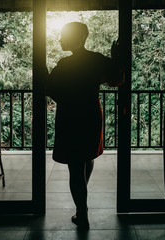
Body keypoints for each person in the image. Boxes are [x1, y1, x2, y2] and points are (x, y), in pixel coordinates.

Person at [46, 22, 124, 229]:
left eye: (64, 36)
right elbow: (116, 79)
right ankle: (82, 204)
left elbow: (51, 89)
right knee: (86, 157)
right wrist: (116, 58)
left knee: (74, 166)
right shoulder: (96, 60)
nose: (60, 39)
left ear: (79, 38)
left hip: (71, 116)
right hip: (90, 115)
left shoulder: (65, 64)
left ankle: (82, 213)